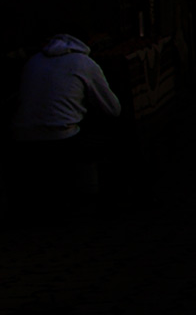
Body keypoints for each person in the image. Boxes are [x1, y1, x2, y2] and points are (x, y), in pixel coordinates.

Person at [10, 30, 122, 210]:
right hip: (61, 138)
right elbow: (113, 109)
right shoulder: (84, 63)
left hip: (21, 136)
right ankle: (90, 197)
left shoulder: (34, 61)